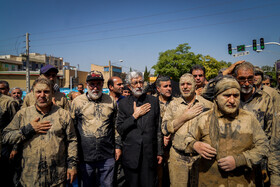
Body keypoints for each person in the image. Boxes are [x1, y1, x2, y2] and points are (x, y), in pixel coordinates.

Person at [181, 75, 269, 186]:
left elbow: (264, 146)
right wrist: (195, 145)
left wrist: (240, 160)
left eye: (236, 96)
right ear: (216, 97)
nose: (232, 100)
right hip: (210, 182)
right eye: (227, 95)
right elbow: (186, 139)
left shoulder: (249, 118)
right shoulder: (203, 118)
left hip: (242, 182)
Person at [3, 77, 78, 186]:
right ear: (33, 93)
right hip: (30, 178)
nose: (42, 95)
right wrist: (28, 129)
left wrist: (72, 165)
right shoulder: (23, 114)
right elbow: (6, 136)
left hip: (57, 178)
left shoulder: (63, 115)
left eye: (46, 92)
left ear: (52, 93)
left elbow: (72, 141)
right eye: (38, 92)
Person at [224, 61, 275, 186]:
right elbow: (206, 93)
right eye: (242, 79)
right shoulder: (229, 97)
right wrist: (225, 73)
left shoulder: (265, 99)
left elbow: (273, 137)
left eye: (250, 79)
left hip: (257, 164)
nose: (246, 83)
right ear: (235, 78)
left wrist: (275, 177)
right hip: (232, 163)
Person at [71, 70, 121, 187]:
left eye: (98, 84)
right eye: (92, 84)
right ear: (87, 85)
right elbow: (71, 129)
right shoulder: (77, 102)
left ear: (102, 84)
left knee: (107, 185)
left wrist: (118, 146)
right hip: (85, 156)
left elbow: (116, 126)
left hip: (107, 154)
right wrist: (74, 154)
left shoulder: (111, 101)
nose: (95, 87)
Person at [162, 73, 212, 187]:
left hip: (200, 159)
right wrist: (184, 117)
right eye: (182, 84)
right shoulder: (173, 105)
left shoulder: (207, 105)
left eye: (188, 84)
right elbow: (164, 129)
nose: (185, 87)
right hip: (178, 158)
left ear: (195, 86)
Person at [116, 71, 163, 187]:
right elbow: (120, 128)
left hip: (149, 155)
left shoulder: (153, 101)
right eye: (135, 83)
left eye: (141, 82)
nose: (138, 85)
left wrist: (160, 151)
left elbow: (158, 128)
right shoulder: (123, 104)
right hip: (131, 156)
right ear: (129, 86)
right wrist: (134, 116)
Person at [155, 76, 173, 187]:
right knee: (159, 175)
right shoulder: (152, 102)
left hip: (173, 145)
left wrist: (169, 135)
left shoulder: (177, 102)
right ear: (158, 89)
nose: (169, 88)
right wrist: (161, 138)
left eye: (170, 86)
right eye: (165, 86)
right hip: (157, 146)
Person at [0, 88, 19, 186]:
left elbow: (17, 126)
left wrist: (15, 148)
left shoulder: (9, 102)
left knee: (7, 177)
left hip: (5, 147)